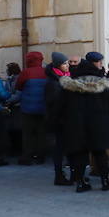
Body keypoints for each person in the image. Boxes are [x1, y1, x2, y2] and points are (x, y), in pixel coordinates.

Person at [59, 52, 109, 192]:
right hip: (99, 124)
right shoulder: (102, 85)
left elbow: (62, 106)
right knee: (100, 153)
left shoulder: (70, 87)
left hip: (77, 125)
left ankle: (80, 183)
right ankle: (105, 181)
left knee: (80, 154)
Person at [15, 52, 49, 164]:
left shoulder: (26, 72)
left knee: (27, 134)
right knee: (41, 133)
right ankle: (41, 156)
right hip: (43, 108)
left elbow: (18, 86)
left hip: (27, 108)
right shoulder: (46, 72)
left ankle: (27, 156)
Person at [44, 52, 71, 185]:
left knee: (65, 147)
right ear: (58, 66)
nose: (68, 66)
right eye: (65, 63)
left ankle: (69, 174)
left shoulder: (64, 77)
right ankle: (59, 176)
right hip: (60, 120)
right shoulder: (54, 82)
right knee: (60, 148)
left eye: (67, 63)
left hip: (65, 118)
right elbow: (55, 103)